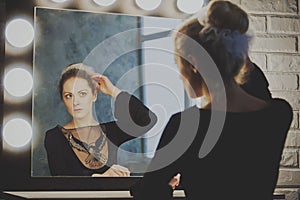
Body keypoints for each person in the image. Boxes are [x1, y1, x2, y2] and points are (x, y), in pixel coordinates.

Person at [131, 1, 293, 199]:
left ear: (194, 63)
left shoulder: (185, 126)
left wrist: (165, 186)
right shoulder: (278, 114)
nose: (179, 75)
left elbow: (149, 193)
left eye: (178, 63)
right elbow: (257, 87)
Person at [44, 63, 157, 176]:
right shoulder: (54, 137)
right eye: (69, 95)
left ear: (94, 95)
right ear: (63, 100)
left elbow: (146, 120)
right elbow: (61, 181)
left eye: (82, 94)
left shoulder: (111, 132)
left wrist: (113, 90)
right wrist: (102, 177)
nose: (75, 102)